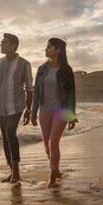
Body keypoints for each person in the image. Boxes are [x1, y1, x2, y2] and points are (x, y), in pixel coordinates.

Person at [0, 33, 33, 184]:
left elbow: (29, 88)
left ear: (14, 45)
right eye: (1, 42)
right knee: (5, 137)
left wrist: (28, 109)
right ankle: (11, 170)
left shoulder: (24, 64)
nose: (1, 45)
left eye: (4, 42)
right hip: (0, 107)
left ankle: (17, 171)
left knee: (10, 133)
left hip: (16, 106)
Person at [30, 38, 77, 188]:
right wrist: (33, 112)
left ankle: (52, 176)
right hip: (45, 109)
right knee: (46, 144)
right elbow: (36, 92)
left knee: (53, 142)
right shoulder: (41, 69)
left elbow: (71, 94)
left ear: (58, 50)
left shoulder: (66, 70)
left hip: (61, 110)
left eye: (49, 47)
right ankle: (56, 169)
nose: (46, 49)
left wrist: (72, 116)